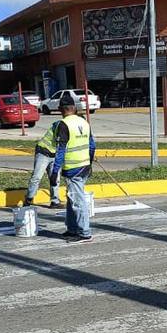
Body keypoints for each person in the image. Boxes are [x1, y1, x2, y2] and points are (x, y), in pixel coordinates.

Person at [50, 94, 95, 243]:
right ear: (74, 108)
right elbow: (92, 145)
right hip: (84, 165)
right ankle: (72, 228)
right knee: (72, 198)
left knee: (77, 200)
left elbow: (60, 150)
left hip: (73, 168)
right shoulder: (84, 122)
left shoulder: (63, 124)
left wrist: (55, 171)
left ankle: (84, 233)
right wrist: (90, 162)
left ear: (60, 109)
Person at [24, 119, 63, 209]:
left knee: (55, 178)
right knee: (36, 177)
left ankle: (55, 201)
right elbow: (62, 144)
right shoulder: (61, 126)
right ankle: (28, 200)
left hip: (55, 154)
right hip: (43, 152)